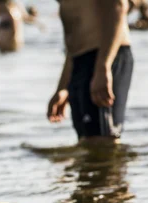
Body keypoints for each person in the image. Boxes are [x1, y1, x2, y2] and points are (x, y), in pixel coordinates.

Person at [47, 0, 134, 143]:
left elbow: (117, 6)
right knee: (87, 142)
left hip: (103, 57)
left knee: (103, 142)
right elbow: (76, 33)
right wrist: (63, 85)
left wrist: (103, 67)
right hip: (80, 61)